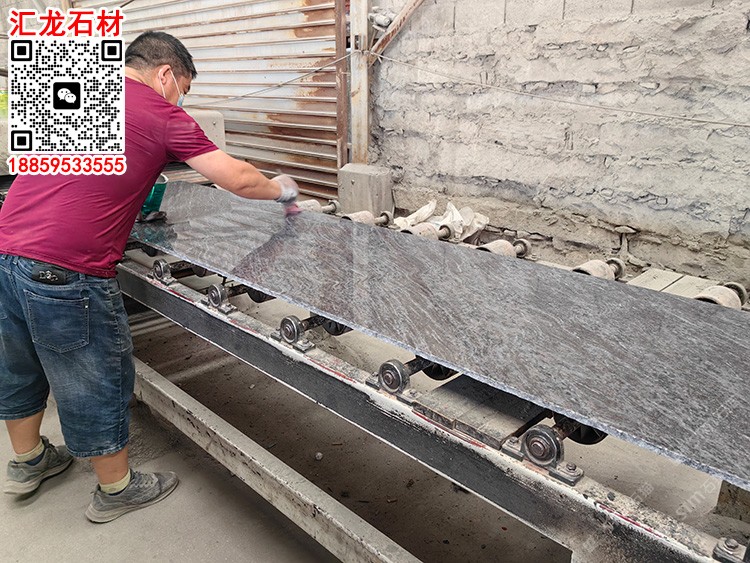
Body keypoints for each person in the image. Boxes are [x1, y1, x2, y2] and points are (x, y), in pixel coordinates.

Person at [0, 31, 300, 522]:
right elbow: (237, 178)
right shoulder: (161, 112)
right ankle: (116, 489)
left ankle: (30, 461)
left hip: (7, 250)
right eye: (184, 89)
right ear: (165, 75)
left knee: (18, 365)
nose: (182, 101)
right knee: (93, 375)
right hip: (66, 268)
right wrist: (280, 189)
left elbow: (74, 177)